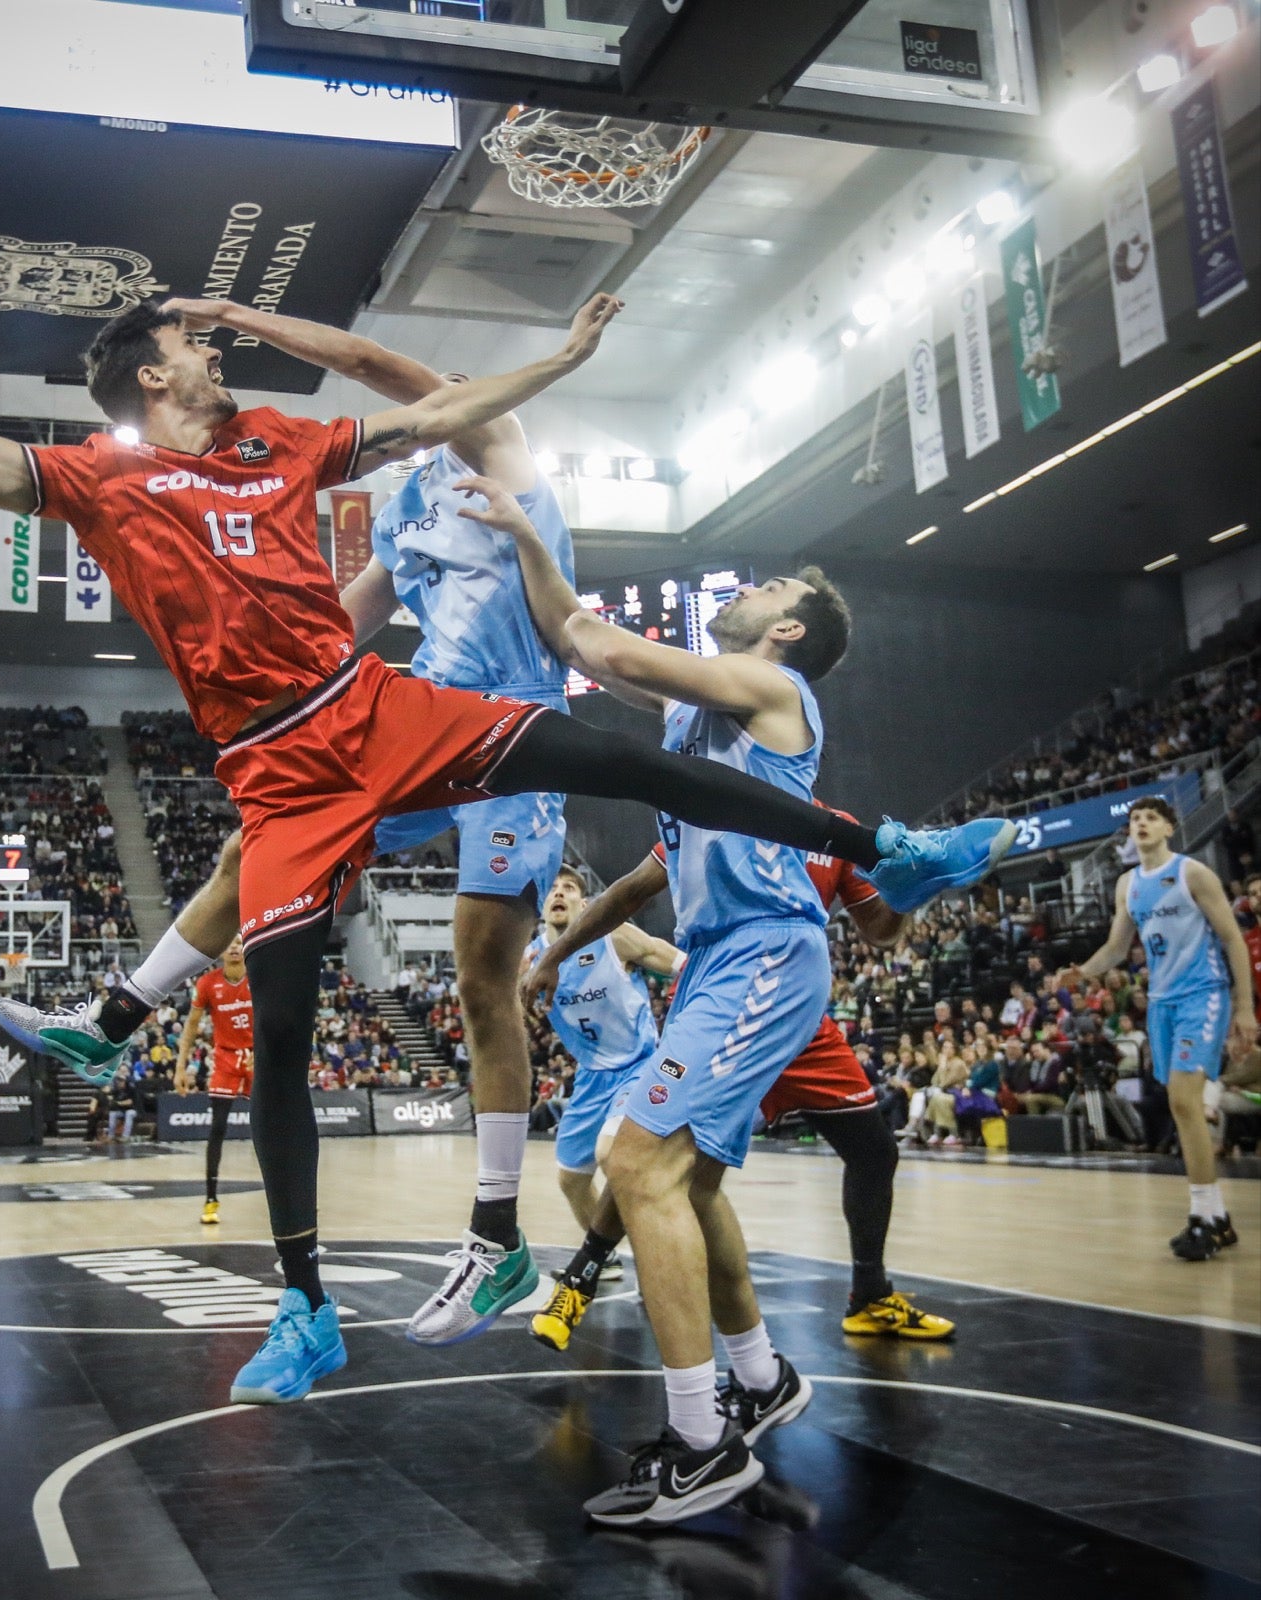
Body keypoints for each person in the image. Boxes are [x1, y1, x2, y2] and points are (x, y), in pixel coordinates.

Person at [0, 237, 1008, 1410]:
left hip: (415, 718)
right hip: (286, 766)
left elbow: (424, 391)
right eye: (193, 344)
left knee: (585, 824)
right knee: (276, 1026)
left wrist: (563, 360)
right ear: (155, 380)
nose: (211, 350)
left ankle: (885, 850)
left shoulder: (303, 438)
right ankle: (295, 1289)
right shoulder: (112, 481)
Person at [493, 485, 994, 1524]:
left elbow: (608, 650)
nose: (749, 582)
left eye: (768, 583)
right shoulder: (699, 708)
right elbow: (588, 644)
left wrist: (526, 531)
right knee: (692, 1185)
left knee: (636, 1165)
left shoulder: (775, 689)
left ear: (788, 628)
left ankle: (701, 1441)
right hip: (722, 962)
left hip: (763, 954)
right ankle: (759, 1379)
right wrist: (523, 550)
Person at [223, 312, 584, 1343]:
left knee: (481, 980)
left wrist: (244, 320)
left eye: (455, 388)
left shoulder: (501, 450)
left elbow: (381, 367)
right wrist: (273, 649)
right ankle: (128, 1003)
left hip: (514, 723)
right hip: (424, 721)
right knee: (285, 820)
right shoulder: (405, 502)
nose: (443, 400)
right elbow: (357, 613)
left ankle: (495, 1234)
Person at [525, 817, 954, 1355]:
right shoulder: (716, 809)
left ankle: (869, 1296)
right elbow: (631, 889)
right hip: (729, 1006)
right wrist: (554, 954)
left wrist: (914, 887)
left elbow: (882, 929)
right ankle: (586, 1279)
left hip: (798, 1013)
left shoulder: (838, 830)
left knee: (874, 1153)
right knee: (661, 1161)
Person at [1061, 796, 1256, 1259]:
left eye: (1151, 817)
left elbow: (1233, 939)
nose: (1141, 823)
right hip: (1163, 1004)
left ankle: (1202, 1217)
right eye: (1134, 819)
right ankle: (1217, 1217)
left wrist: (1244, 1008)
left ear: (1169, 828)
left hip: (1204, 994)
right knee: (1182, 1108)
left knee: (1184, 1101)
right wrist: (1083, 971)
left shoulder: (1193, 874)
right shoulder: (1128, 884)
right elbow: (1115, 946)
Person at [521, 865, 684, 1348]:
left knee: (617, 1155)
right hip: (591, 1076)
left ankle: (648, 1260)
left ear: (584, 903)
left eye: (569, 888)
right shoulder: (530, 957)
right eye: (552, 889)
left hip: (639, 1066)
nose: (559, 894)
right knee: (570, 1177)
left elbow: (672, 958)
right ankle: (609, 1255)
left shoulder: (614, 936)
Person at [174, 935, 252, 1225]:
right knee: (218, 1127)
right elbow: (192, 1026)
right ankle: (210, 1199)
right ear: (219, 950)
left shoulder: (260, 975)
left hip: (259, 1056)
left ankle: (285, 1196)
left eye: (239, 941)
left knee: (271, 1126)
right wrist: (180, 1068)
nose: (233, 946)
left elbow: (276, 1016)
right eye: (228, 942)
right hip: (226, 1058)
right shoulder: (208, 983)